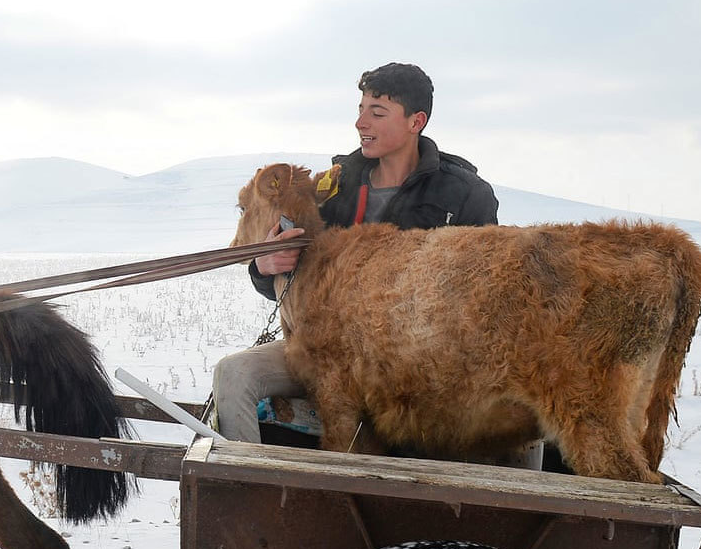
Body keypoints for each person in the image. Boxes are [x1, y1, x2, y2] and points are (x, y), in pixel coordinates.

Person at [210, 62, 500, 442]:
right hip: (325, 350)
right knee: (233, 375)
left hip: (416, 357)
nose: (361, 123)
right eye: (360, 110)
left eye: (377, 112)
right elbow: (295, 279)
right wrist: (264, 266)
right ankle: (249, 486)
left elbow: (485, 290)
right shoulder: (336, 184)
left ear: (416, 121)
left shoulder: (464, 194)